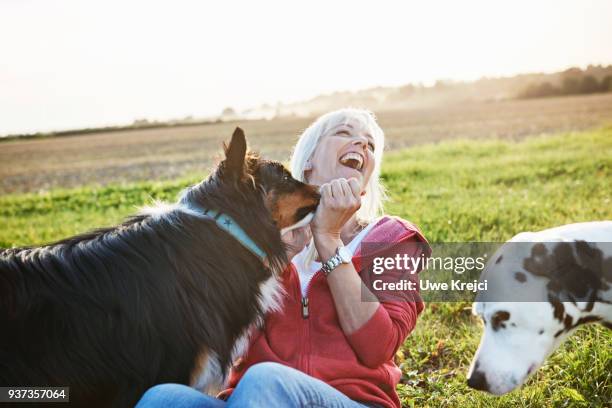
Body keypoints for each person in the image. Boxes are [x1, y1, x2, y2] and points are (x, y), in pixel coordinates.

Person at [136, 108, 430, 408]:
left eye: (370, 144)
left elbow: (376, 346)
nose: (362, 145)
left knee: (266, 379)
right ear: (309, 160)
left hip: (350, 401)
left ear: (367, 182)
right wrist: (276, 258)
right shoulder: (263, 242)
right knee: (163, 397)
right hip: (252, 399)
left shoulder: (392, 238)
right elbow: (224, 346)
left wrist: (329, 239)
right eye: (344, 133)